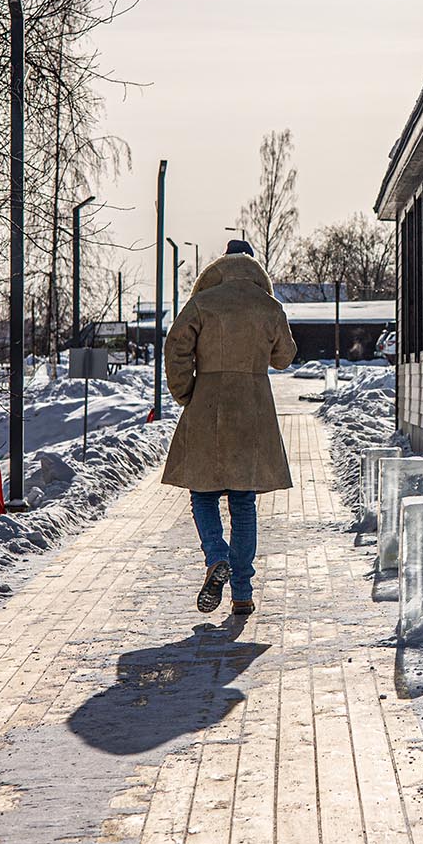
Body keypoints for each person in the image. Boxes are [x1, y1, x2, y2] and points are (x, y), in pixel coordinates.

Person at [162, 240, 297, 614]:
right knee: (243, 501)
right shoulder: (268, 306)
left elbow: (175, 346)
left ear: (219, 265)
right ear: (255, 268)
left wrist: (186, 390)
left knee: (202, 494)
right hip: (252, 410)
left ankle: (216, 556)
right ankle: (242, 593)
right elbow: (285, 357)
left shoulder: (203, 303)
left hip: (207, 406)